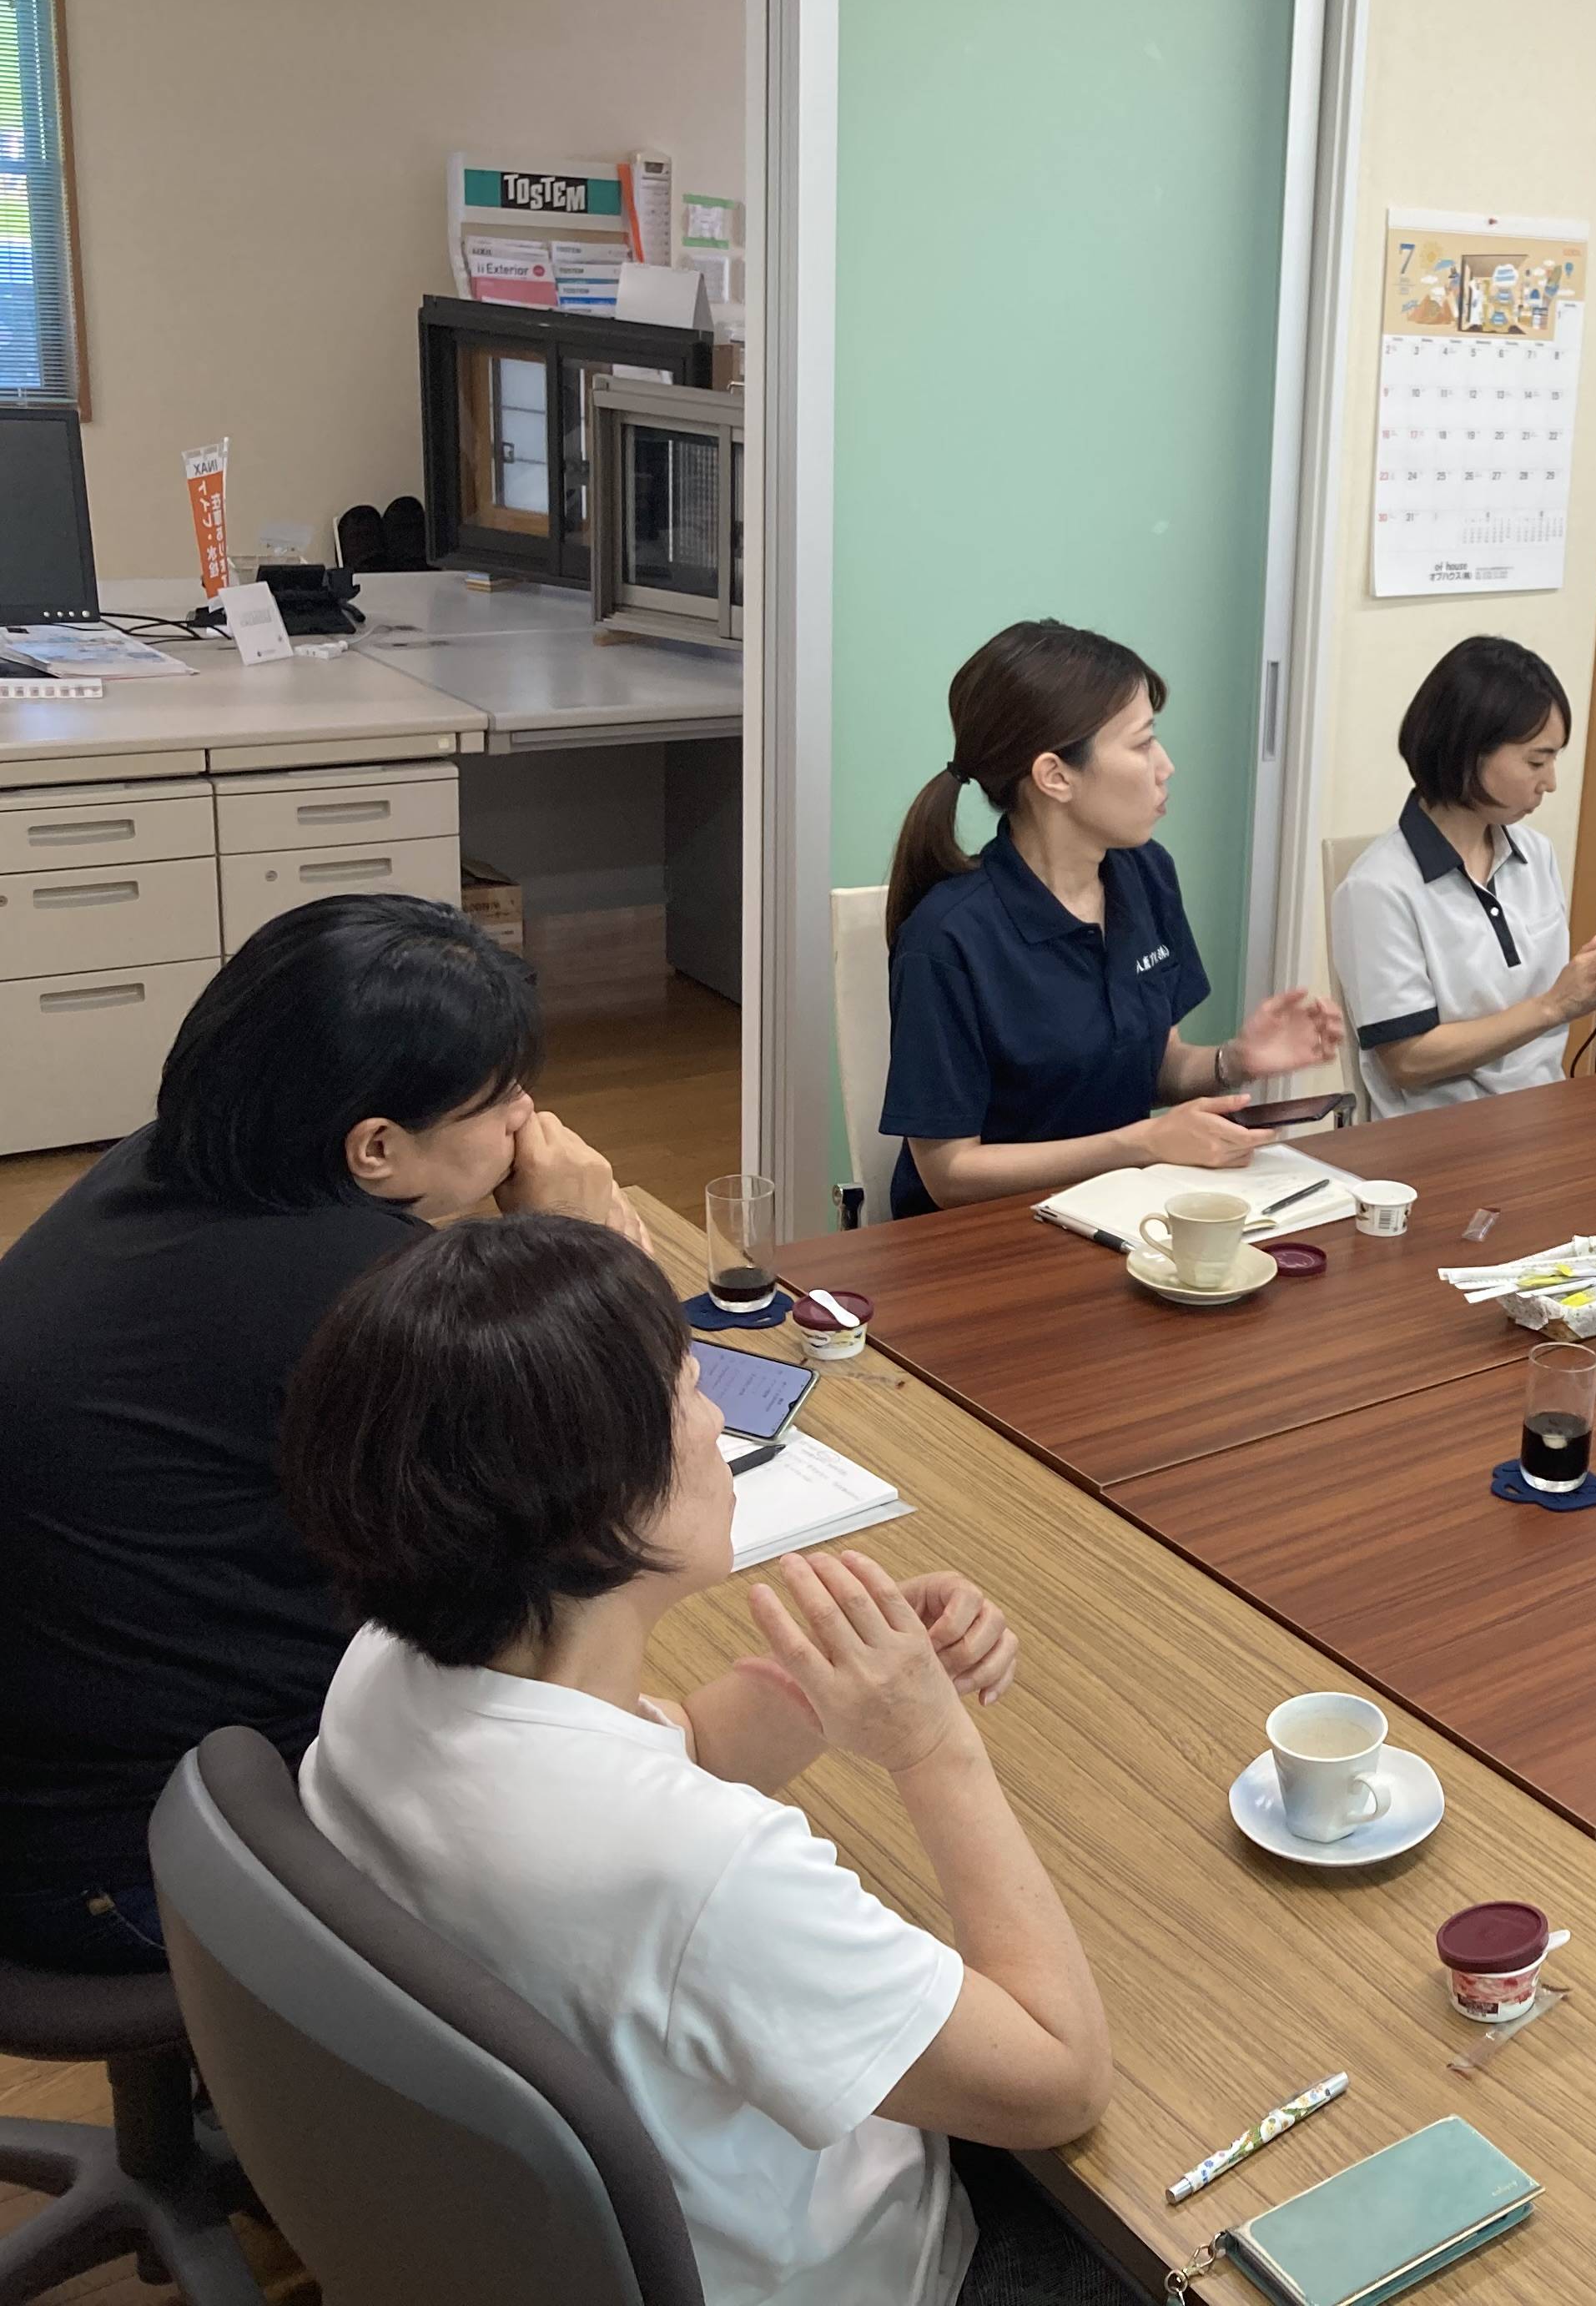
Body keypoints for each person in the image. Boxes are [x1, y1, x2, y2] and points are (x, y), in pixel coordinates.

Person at [286, 1214, 1121, 2306]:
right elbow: (1060, 2082)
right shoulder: (695, 1869)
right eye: (688, 1392)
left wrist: (838, 1679)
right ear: (592, 1508)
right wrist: (934, 1746)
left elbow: (671, 1753)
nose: (720, 1417)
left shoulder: (387, 1670)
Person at [0, 894, 646, 1976]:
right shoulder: (350, 1293)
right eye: (500, 1100)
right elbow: (613, 1473)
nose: (529, 1117)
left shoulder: (175, 1162)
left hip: (59, 1780)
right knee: (591, 1746)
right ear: (378, 1148)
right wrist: (576, 1251)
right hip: (136, 1859)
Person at [881, 620, 1344, 1218]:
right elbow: (949, 1173)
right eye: (1143, 743)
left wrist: (1233, 1061)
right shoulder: (948, 939)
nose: (1166, 765)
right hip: (985, 1247)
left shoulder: (1144, 874)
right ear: (1055, 776)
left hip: (1122, 1214)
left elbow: (1153, 1068)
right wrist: (1141, 1144)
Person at [1330, 635, 1596, 1120]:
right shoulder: (1378, 888)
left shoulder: (1535, 853)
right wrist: (1556, 1005)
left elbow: (1530, 998)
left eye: (1554, 759)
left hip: (1543, 1117)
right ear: (1468, 752)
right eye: (1536, 760)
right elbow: (1406, 1060)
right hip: (1440, 1143)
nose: (1550, 781)